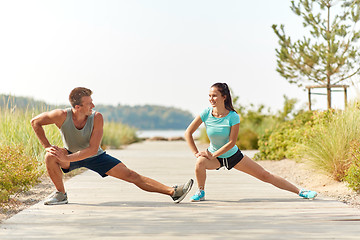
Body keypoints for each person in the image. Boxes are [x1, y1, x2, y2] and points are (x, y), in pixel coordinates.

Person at [31, 87, 193, 205]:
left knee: (131, 175)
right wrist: (46, 146)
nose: (93, 106)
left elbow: (93, 149)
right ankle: (61, 195)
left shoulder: (97, 118)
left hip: (96, 157)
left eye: (92, 102)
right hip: (71, 155)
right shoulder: (60, 116)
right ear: (77, 107)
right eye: (89, 104)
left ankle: (173, 192)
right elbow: (35, 122)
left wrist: (67, 157)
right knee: (50, 156)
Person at [184, 82, 317, 202]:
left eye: (214, 95)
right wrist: (196, 153)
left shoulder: (233, 116)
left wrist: (213, 154)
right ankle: (201, 192)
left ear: (224, 97)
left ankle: (301, 192)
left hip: (233, 155)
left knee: (265, 175)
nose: (211, 99)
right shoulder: (206, 113)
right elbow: (188, 133)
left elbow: (231, 142)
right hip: (215, 157)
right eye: (209, 95)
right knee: (200, 162)